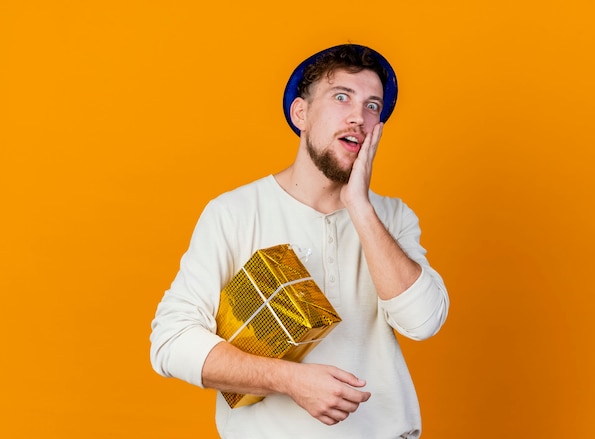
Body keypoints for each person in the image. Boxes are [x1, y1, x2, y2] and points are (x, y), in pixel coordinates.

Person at [150, 43, 449, 438]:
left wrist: (359, 207)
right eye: (342, 97)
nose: (358, 116)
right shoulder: (235, 213)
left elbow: (423, 322)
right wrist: (290, 379)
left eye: (372, 106)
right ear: (301, 113)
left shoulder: (391, 217)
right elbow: (170, 342)